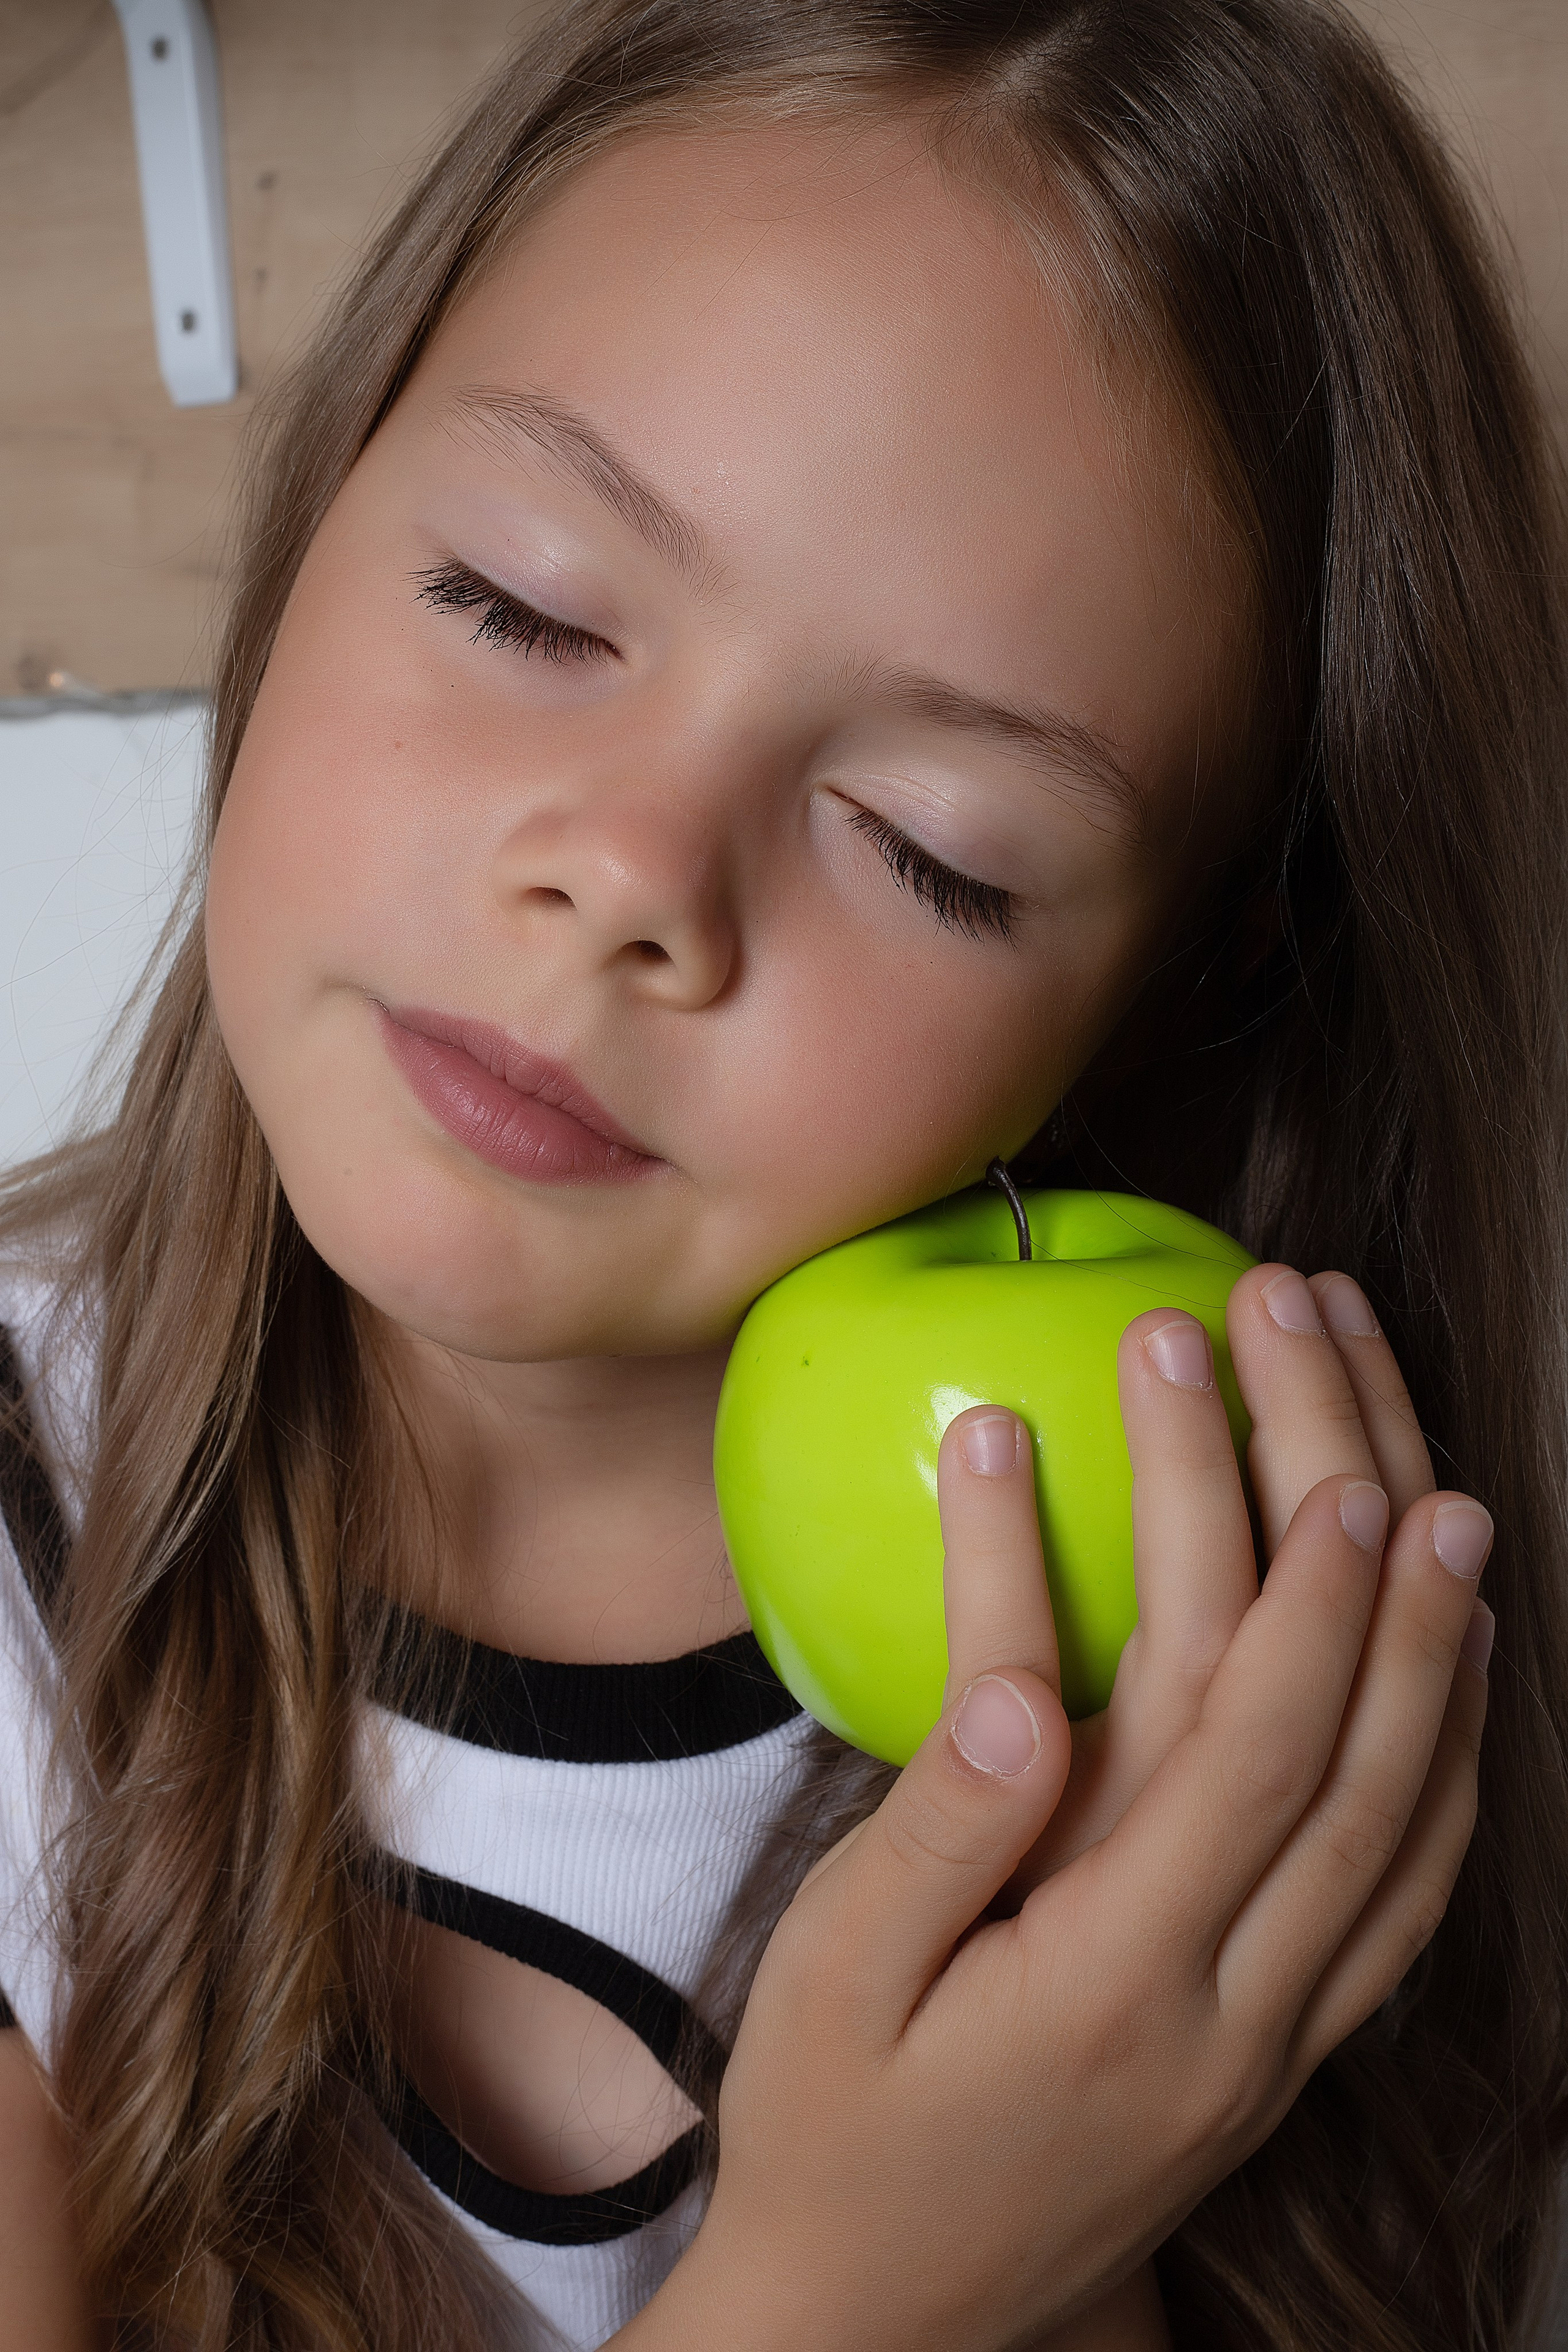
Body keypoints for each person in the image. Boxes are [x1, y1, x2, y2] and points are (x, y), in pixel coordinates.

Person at [1, 0, 1564, 2344]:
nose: (633, 869)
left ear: (1172, 989)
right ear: (326, 490)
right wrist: (853, 2298)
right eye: (521, 602)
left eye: (933, 851)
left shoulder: (1262, 1674)